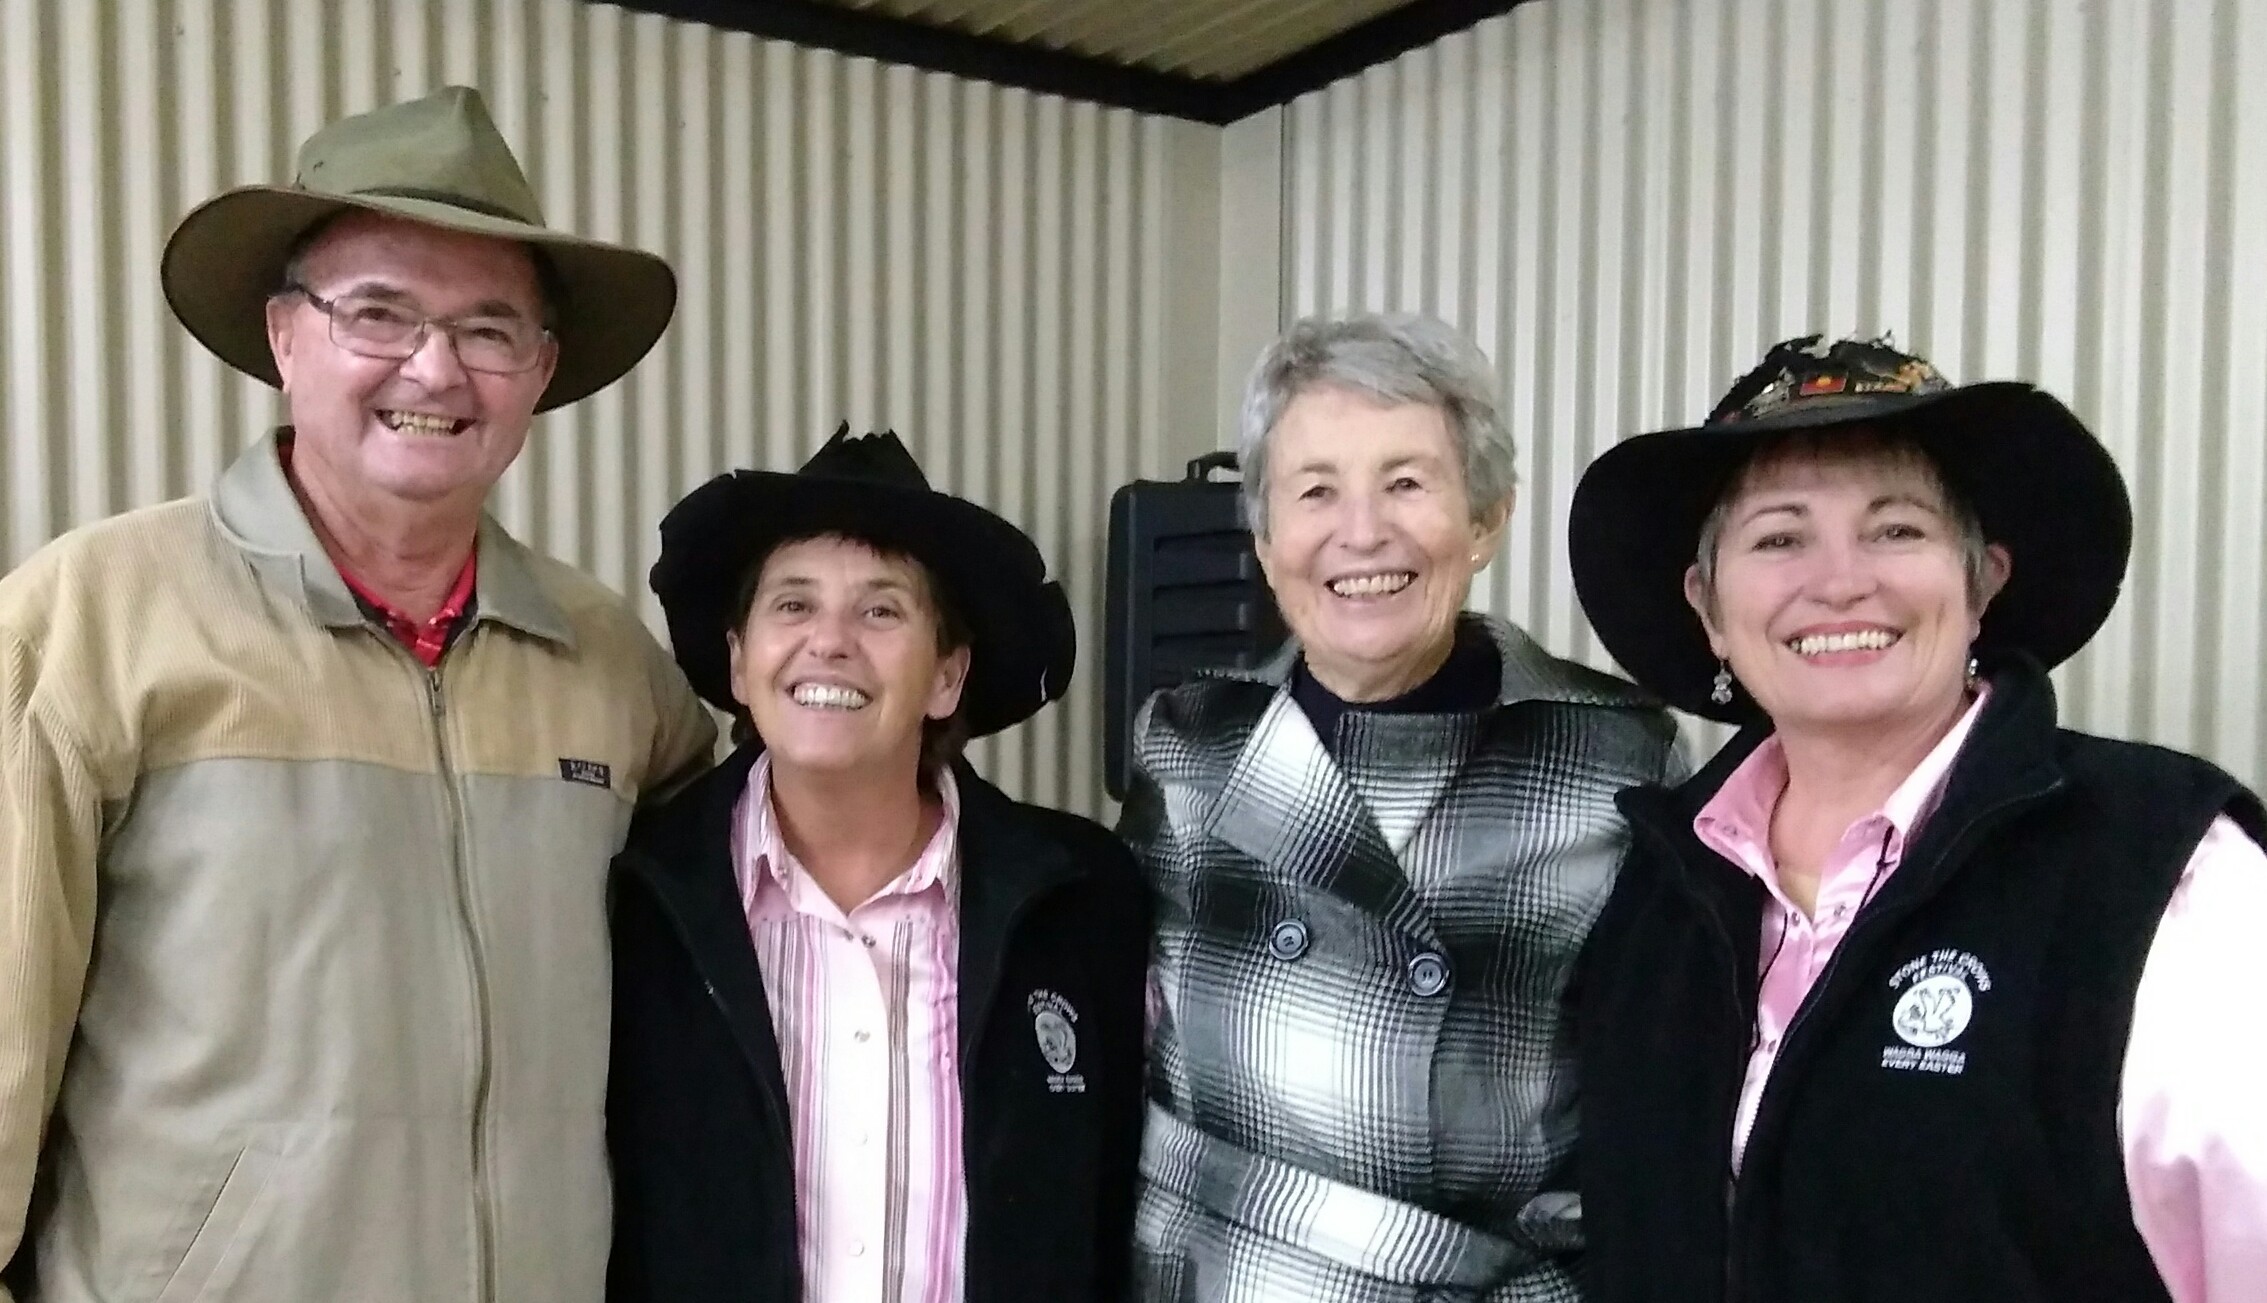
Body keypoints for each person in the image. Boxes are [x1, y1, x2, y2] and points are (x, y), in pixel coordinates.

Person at [0, 87, 715, 1303]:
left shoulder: (608, 664)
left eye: (490, 330)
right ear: (286, 337)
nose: (434, 367)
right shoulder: (90, 620)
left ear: (539, 371)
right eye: (378, 312)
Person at [1567, 334, 2267, 1303]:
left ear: (1980, 581)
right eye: (1777, 537)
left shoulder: (2163, 874)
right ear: (1709, 608)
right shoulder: (1656, 890)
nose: (1840, 580)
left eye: (1895, 529)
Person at [1123, 314, 1683, 1302]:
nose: (1361, 531)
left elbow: (1658, 1117)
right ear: (1263, 536)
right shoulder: (1186, 740)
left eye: (1406, 481)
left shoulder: (1616, 753)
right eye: (1313, 490)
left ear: (1485, 518)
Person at [608, 427, 1151, 1302]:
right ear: (740, 660)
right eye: (792, 604)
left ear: (946, 675)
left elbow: (1124, 1205)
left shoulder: (1082, 900)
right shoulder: (639, 899)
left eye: (881, 609)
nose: (830, 641)